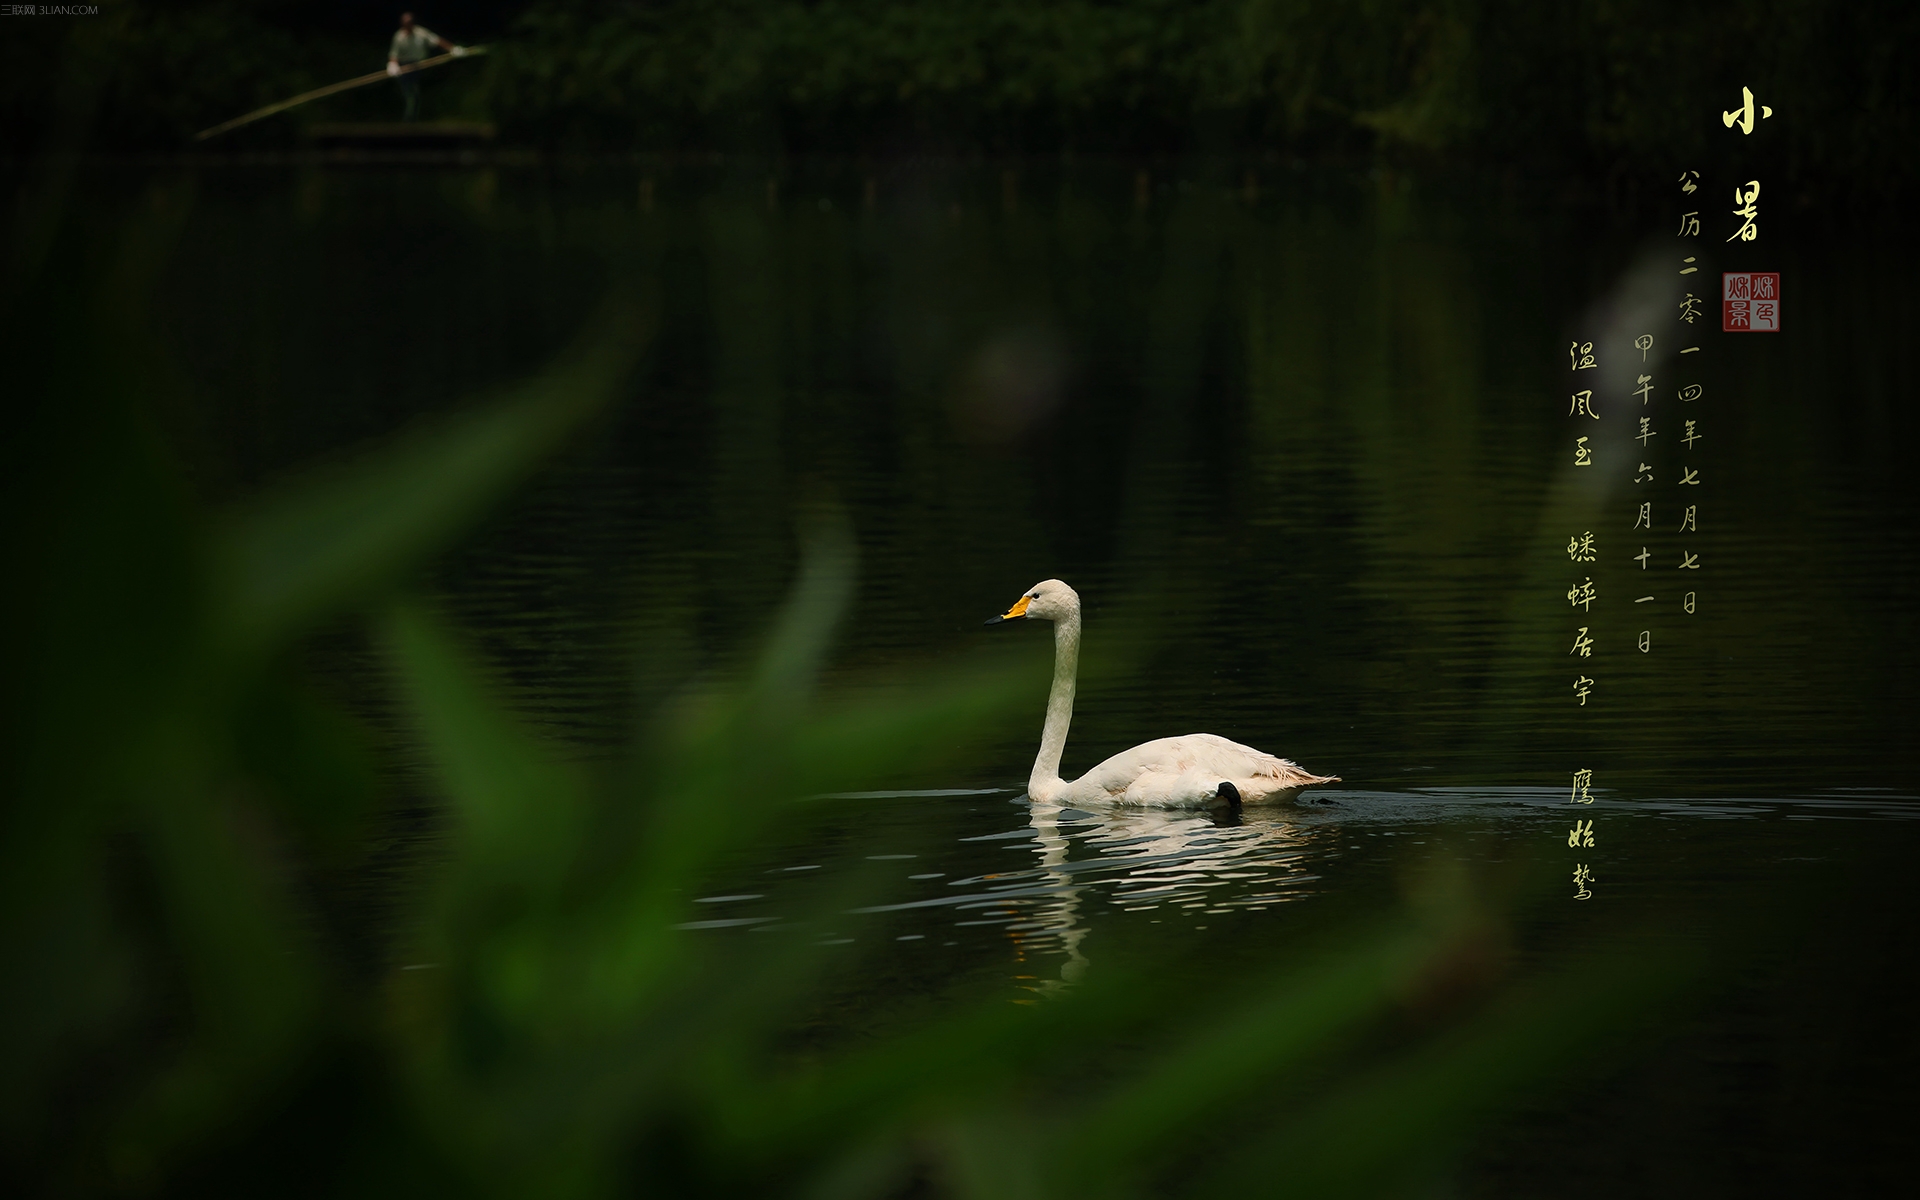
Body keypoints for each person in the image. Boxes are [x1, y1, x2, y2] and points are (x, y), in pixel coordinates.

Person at [386, 13, 465, 121]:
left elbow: (437, 41)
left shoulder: (421, 33)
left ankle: (412, 117)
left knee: (414, 92)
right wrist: (393, 65)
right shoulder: (399, 36)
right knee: (408, 92)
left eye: (409, 23)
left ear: (412, 23)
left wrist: (452, 49)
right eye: (404, 24)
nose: (407, 26)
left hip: (420, 65)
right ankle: (409, 116)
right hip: (404, 67)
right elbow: (394, 55)